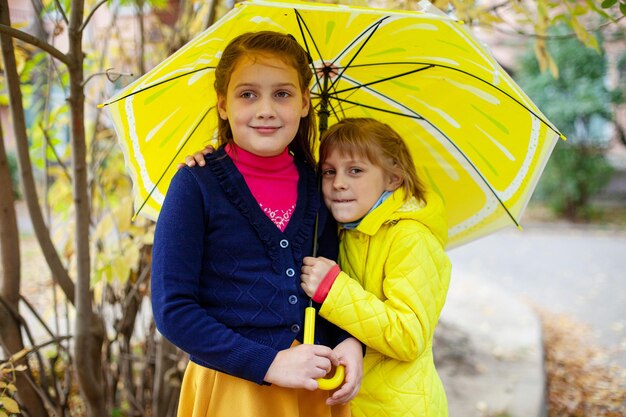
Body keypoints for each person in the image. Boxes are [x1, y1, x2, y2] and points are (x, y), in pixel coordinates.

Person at [152, 31, 363, 417]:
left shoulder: (321, 186)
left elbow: (336, 286)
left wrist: (349, 342)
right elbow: (173, 310)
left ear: (304, 103)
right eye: (247, 94)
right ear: (222, 105)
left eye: (282, 94)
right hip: (233, 390)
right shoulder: (196, 185)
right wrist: (270, 364)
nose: (265, 109)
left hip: (313, 388)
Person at [300, 118, 452, 417]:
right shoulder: (343, 229)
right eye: (329, 172)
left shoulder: (411, 238)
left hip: (398, 408)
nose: (339, 182)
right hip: (353, 402)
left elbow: (409, 336)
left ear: (393, 178)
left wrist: (335, 290)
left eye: (355, 170)